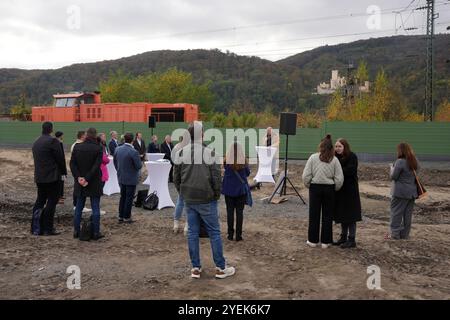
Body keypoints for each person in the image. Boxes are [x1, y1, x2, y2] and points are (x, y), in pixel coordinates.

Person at [174, 122, 235, 279]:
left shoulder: (181, 152)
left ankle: (195, 267)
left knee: (192, 233)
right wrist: (215, 195)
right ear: (202, 135)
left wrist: (183, 192)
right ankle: (220, 268)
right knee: (214, 232)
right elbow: (216, 177)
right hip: (206, 198)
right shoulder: (209, 152)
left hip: (190, 198)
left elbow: (176, 177)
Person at [302, 134, 344, 249]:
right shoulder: (334, 160)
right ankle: (326, 242)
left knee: (314, 215)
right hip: (329, 189)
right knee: (327, 216)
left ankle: (312, 240)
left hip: (315, 188)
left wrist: (308, 184)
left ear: (320, 146)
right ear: (331, 147)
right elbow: (339, 178)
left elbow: (306, 175)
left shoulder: (313, 158)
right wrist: (335, 188)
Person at [32, 122, 67, 236]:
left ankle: (35, 227)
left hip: (39, 177)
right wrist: (63, 173)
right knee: (52, 201)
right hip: (52, 177)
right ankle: (48, 228)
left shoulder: (36, 142)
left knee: (40, 201)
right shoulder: (53, 141)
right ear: (51, 129)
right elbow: (60, 159)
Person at [70, 128, 104, 240]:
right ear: (95, 136)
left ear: (86, 135)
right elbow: (96, 166)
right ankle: (95, 232)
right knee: (95, 208)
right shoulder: (98, 148)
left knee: (79, 207)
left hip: (80, 182)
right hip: (93, 182)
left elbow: (72, 165)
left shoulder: (77, 147)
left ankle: (76, 231)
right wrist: (87, 178)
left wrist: (79, 178)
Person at [333, 139, 362, 248]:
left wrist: (337, 170)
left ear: (345, 147)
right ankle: (343, 237)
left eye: (339, 146)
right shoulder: (335, 158)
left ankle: (352, 239)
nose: (337, 148)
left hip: (350, 191)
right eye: (336, 146)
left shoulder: (352, 156)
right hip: (340, 190)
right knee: (342, 214)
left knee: (351, 215)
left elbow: (350, 170)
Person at [387, 142, 419, 240]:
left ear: (400, 150)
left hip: (400, 193)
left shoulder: (400, 161)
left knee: (396, 213)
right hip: (412, 193)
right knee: (407, 215)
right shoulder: (415, 161)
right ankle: (405, 235)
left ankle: (395, 234)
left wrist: (391, 168)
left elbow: (394, 177)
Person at [222, 142, 250, 242]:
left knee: (230, 212)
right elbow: (247, 173)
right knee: (239, 212)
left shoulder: (226, 161)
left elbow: (225, 170)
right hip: (240, 191)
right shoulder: (244, 162)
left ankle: (230, 235)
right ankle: (238, 235)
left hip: (228, 190)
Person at [114, 133, 142, 224]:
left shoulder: (117, 149)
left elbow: (115, 163)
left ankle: (121, 216)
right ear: (132, 140)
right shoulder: (133, 152)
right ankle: (126, 216)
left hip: (121, 177)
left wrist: (120, 171)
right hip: (131, 178)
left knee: (123, 197)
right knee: (129, 198)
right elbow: (138, 166)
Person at [172, 132, 191, 234]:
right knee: (188, 204)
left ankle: (176, 223)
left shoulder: (179, 151)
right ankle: (187, 226)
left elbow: (176, 172)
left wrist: (177, 185)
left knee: (180, 202)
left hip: (182, 182)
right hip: (189, 182)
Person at [70, 131, 91, 213]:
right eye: (86, 135)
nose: (87, 137)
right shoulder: (77, 145)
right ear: (82, 136)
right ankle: (77, 205)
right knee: (78, 188)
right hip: (79, 171)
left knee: (78, 188)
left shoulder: (76, 144)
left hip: (78, 170)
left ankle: (78, 205)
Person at [97, 135, 110, 216]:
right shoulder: (99, 148)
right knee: (98, 193)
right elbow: (106, 160)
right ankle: (97, 209)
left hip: (97, 172)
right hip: (101, 172)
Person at [54, 131, 67, 205]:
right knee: (59, 182)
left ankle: (61, 195)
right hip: (59, 167)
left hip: (62, 166)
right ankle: (58, 197)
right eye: (62, 135)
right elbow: (60, 157)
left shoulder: (60, 142)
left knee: (62, 181)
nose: (63, 136)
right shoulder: (57, 143)